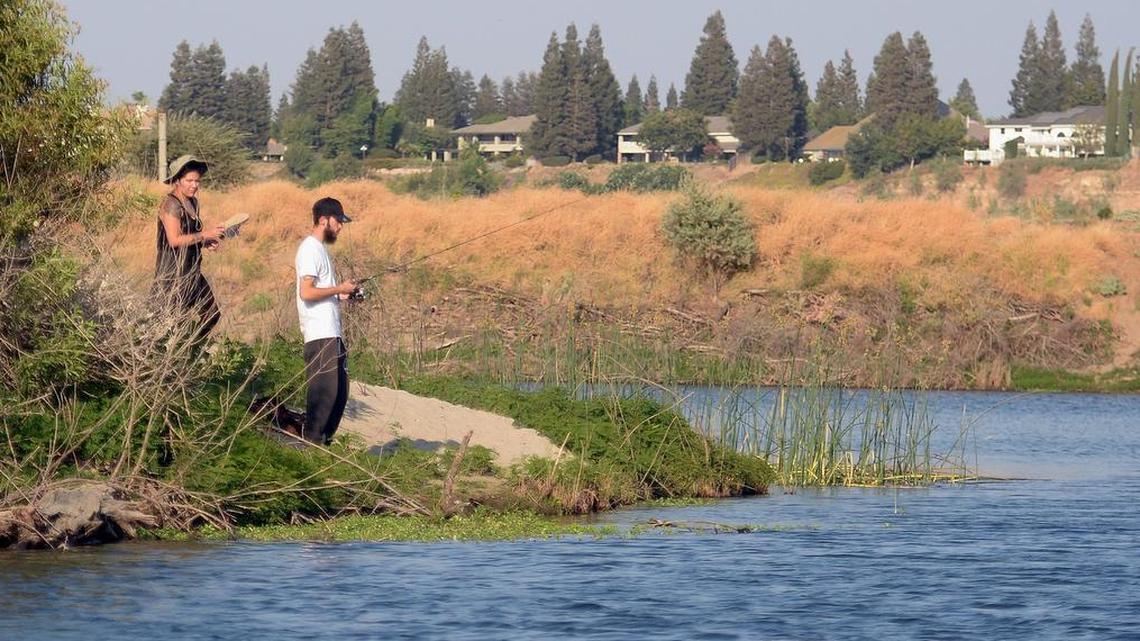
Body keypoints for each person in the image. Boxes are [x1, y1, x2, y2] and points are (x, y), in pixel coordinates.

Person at [295, 197, 358, 445]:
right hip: (319, 332)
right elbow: (307, 292)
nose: (340, 227)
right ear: (324, 220)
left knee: (340, 392)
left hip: (332, 332)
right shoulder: (310, 248)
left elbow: (320, 290)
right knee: (325, 392)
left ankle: (323, 441)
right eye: (338, 221)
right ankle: (311, 443)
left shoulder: (321, 250)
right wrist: (337, 289)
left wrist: (342, 294)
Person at [153, 155, 225, 341]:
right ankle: (180, 355)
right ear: (177, 180)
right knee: (168, 327)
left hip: (192, 271)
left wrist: (206, 242)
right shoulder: (171, 204)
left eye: (197, 181)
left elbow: (191, 235)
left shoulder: (193, 202)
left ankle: (192, 349)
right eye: (189, 181)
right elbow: (175, 240)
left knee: (211, 314)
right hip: (172, 275)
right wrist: (204, 235)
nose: (194, 185)